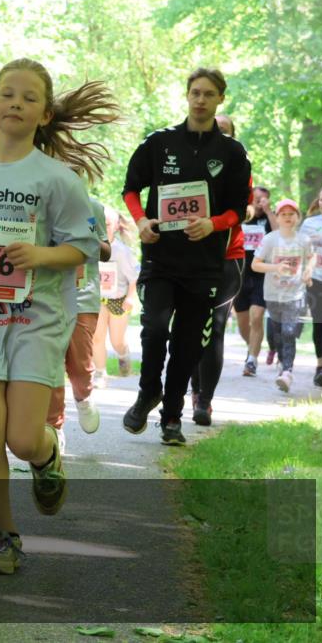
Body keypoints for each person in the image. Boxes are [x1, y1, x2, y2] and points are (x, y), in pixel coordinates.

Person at [0, 58, 116, 574]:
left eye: (28, 97)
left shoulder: (57, 179)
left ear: (44, 114)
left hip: (36, 318)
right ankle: (4, 535)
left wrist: (39, 256)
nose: (15, 102)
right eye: (6, 94)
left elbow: (84, 248)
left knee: (21, 437)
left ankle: (47, 453)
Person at [120, 68, 251, 446]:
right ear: (187, 95)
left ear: (220, 99)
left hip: (204, 265)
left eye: (209, 94)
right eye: (195, 92)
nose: (200, 99)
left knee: (188, 343)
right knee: (156, 327)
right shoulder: (160, 143)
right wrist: (142, 220)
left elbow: (237, 211)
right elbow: (131, 189)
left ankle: (172, 417)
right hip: (161, 259)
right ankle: (148, 391)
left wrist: (212, 225)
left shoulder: (231, 152)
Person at [188, 113, 247, 425]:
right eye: (213, 129)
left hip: (228, 258)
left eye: (225, 130)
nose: (217, 134)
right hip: (190, 259)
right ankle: (194, 388)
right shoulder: (187, 160)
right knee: (193, 325)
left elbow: (243, 207)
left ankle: (204, 401)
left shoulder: (239, 163)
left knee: (216, 326)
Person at [46, 197, 110, 451]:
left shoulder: (92, 208)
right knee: (51, 366)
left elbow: (106, 251)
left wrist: (86, 240)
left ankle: (83, 397)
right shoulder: (39, 203)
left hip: (82, 295)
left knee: (79, 364)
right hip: (46, 295)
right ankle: (54, 428)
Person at [252, 199, 314, 392]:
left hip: (296, 295)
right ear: (277, 218)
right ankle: (280, 358)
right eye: (283, 214)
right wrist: (275, 267)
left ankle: (287, 372)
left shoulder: (304, 240)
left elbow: (312, 257)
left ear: (298, 217)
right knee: (276, 333)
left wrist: (308, 272)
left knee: (288, 332)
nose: (288, 218)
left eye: (291, 214)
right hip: (273, 294)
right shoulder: (270, 239)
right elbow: (256, 264)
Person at [92, 208, 138, 387]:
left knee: (116, 340)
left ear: (117, 226)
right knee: (97, 337)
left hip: (119, 299)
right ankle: (100, 373)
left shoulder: (121, 251)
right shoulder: (91, 248)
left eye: (108, 224)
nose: (104, 228)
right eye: (100, 224)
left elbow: (133, 277)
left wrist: (130, 298)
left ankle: (123, 356)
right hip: (98, 298)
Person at [234, 186, 277, 375]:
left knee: (257, 316)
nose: (259, 202)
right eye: (256, 198)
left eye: (263, 199)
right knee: (243, 323)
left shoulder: (270, 217)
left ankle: (251, 360)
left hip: (262, 275)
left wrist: (268, 211)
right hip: (240, 274)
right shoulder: (242, 215)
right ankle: (252, 347)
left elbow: (279, 235)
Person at [298, 185, 322, 387]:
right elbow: (300, 250)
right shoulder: (310, 223)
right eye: (321, 199)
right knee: (320, 323)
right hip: (315, 279)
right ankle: (320, 365)